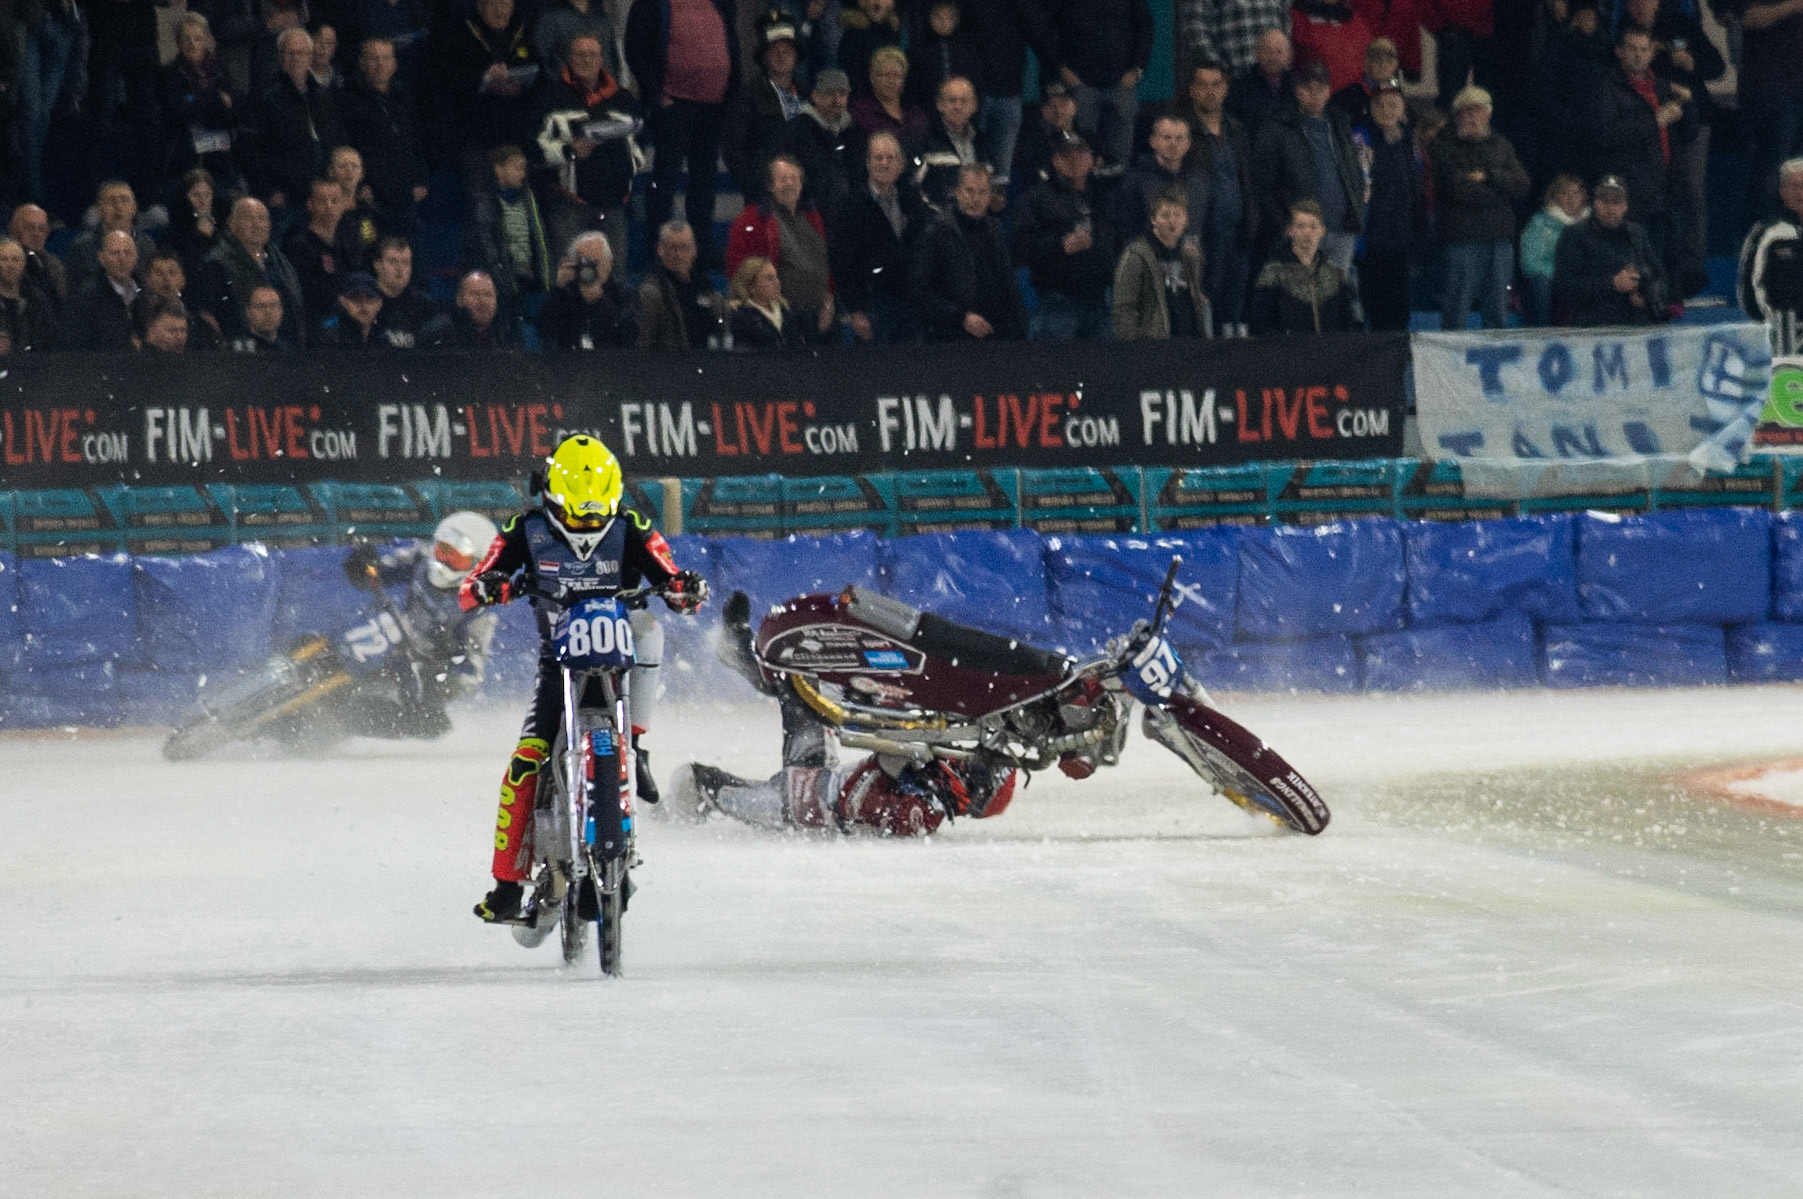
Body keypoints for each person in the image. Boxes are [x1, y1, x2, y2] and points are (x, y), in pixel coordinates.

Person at [463, 434, 707, 924]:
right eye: (576, 516)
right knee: (525, 763)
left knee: (650, 624)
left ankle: (635, 747)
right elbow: (471, 587)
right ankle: (507, 884)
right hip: (558, 664)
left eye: (597, 516)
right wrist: (492, 586)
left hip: (620, 657)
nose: (587, 525)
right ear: (551, 499)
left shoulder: (632, 525)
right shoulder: (522, 529)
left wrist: (684, 588)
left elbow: (673, 577)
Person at [668, 590, 1018, 836]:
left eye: (973, 768)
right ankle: (742, 652)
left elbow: (892, 758)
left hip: (804, 800)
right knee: (807, 680)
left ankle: (741, 652)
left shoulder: (924, 808)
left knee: (700, 780)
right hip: (815, 785)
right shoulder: (929, 795)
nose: (962, 762)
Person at [337, 513, 502, 741]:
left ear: (477, 567)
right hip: (391, 632)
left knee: (428, 723)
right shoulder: (422, 559)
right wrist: (364, 566)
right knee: (339, 639)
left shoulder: (478, 611)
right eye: (442, 550)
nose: (442, 562)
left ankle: (338, 720)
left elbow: (471, 671)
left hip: (423, 666)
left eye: (456, 558)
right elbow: (380, 573)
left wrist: (445, 682)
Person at [625, 0, 739, 266]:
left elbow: (732, 45)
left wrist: (732, 92)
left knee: (705, 184)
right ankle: (660, 252)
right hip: (672, 107)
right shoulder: (649, 4)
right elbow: (635, 50)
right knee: (664, 183)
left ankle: (700, 249)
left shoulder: (721, 3)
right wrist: (657, 96)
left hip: (712, 107)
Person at [1587, 25, 1693, 289]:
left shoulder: (1663, 86)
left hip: (1666, 186)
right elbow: (1604, 135)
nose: (1638, 55)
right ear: (1619, 52)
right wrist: (1654, 120)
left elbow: (1688, 132)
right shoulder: (1607, 87)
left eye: (1644, 49)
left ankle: (1664, 302)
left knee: (1664, 257)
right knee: (1635, 260)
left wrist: (1690, 104)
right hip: (1632, 190)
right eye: (1632, 49)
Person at [534, 32, 643, 268]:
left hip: (615, 203)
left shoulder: (623, 99)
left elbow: (639, 142)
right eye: (580, 54)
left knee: (615, 279)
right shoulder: (550, 97)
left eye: (592, 54)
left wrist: (631, 163)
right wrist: (568, 151)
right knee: (569, 277)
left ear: (602, 58)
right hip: (569, 204)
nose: (586, 60)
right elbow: (534, 148)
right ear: (568, 58)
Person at [1250, 59, 1365, 271]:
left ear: (1329, 91)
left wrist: (1354, 208)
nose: (1314, 94)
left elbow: (1354, 172)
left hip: (1341, 228)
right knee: (1300, 296)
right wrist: (1284, 222)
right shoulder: (1277, 128)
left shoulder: (1340, 125)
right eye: (1307, 88)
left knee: (1337, 296)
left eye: (1320, 88)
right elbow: (1261, 184)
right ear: (1297, 91)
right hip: (1300, 231)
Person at [1430, 84, 1528, 330]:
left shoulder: (1501, 144)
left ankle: (1493, 363)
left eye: (1479, 110)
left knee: (1498, 308)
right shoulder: (1443, 145)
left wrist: (1487, 176)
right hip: (1462, 238)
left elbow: (1522, 185)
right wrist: (1499, 190)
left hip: (1500, 239)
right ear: (1456, 115)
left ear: (1489, 113)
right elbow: (1457, 190)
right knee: (1457, 307)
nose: (1473, 117)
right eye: (1467, 111)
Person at [427, 0, 540, 197]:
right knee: (482, 206)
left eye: (506, 5)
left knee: (521, 203)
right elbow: (444, 80)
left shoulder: (522, 31)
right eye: (494, 4)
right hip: (475, 137)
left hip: (516, 135)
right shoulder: (458, 33)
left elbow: (539, 75)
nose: (501, 11)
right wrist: (483, 80)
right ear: (480, 5)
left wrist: (519, 86)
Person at [1012, 130, 1117, 340]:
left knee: (1105, 371)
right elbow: (1019, 248)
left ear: (1092, 159)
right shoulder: (1036, 198)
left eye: (1081, 154)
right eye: (1067, 155)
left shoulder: (1104, 195)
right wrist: (1060, 245)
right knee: (1057, 371)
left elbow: (1117, 238)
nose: (1075, 160)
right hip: (1058, 302)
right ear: (1056, 160)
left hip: (1100, 299)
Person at [725, 154, 837, 341]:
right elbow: (739, 271)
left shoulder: (813, 217)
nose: (790, 184)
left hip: (820, 317)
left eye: (794, 178)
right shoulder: (753, 219)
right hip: (779, 323)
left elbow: (826, 263)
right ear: (770, 185)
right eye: (783, 179)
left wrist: (828, 303)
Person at [910, 162, 1028, 340]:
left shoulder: (994, 229)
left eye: (982, 192)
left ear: (990, 196)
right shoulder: (937, 230)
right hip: (954, 336)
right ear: (957, 192)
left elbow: (1007, 280)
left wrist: (1020, 324)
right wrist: (960, 317)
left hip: (997, 332)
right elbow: (920, 289)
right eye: (970, 191)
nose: (976, 198)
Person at [1183, 60, 1257, 336]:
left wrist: (1252, 220)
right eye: (1203, 85)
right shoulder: (1183, 130)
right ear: (1191, 90)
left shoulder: (1236, 129)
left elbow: (1246, 180)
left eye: (1216, 84)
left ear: (1226, 89)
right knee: (1202, 311)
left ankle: (1234, 371)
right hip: (1201, 237)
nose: (1210, 92)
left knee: (1234, 311)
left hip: (1237, 234)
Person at [831, 130, 925, 342]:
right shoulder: (851, 205)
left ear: (901, 164)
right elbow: (842, 261)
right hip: (873, 304)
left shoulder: (912, 202)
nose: (884, 164)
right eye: (878, 158)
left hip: (911, 302)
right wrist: (855, 310)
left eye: (890, 158)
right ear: (868, 163)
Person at [1044, 0, 1154, 174]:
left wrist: (1138, 69)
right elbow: (1048, 29)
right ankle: (1082, 194)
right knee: (1080, 151)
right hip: (1080, 85)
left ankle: (1120, 193)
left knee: (1121, 158)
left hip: (1121, 82)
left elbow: (1145, 27)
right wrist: (1062, 68)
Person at [240, 27, 344, 210]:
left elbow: (336, 138)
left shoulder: (322, 96)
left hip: (324, 191)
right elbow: (249, 149)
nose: (296, 58)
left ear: (310, 56)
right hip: (286, 195)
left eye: (302, 52)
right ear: (280, 57)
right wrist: (269, 189)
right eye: (290, 52)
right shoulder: (263, 97)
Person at [337, 38, 431, 234]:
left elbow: (416, 140)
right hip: (372, 196)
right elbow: (347, 143)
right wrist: (361, 184)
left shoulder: (403, 96)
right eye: (374, 58)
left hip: (405, 193)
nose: (380, 64)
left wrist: (421, 178)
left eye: (386, 58)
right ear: (362, 63)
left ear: (394, 64)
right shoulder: (348, 99)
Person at [1552, 174, 1664, 326]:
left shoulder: (1636, 233)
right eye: (1604, 201)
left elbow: (1658, 275)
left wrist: (1647, 295)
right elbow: (1564, 286)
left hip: (1636, 325)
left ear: (1625, 206)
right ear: (1594, 203)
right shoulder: (1575, 235)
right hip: (1591, 327)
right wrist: (1612, 284)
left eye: (1617, 202)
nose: (1610, 208)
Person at [197, 196, 308, 345]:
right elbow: (207, 314)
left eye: (262, 218)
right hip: (241, 352)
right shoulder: (217, 263)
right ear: (231, 224)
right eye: (248, 218)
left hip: (286, 349)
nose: (257, 225)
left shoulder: (281, 262)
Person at [1357, 79, 1420, 333]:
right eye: (1380, 104)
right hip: (1372, 237)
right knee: (1375, 306)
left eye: (1393, 104)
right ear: (1371, 107)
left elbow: (1415, 188)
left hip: (1402, 237)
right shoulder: (1361, 138)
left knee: (1400, 308)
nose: (1387, 109)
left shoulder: (1408, 141)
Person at [465, 144, 555, 322]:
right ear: (499, 170)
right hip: (499, 279)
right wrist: (499, 274)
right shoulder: (485, 201)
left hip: (524, 277)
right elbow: (487, 241)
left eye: (523, 168)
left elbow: (538, 237)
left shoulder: (528, 200)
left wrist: (544, 275)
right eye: (516, 168)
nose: (522, 173)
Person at [724, 11, 806, 199]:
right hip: (763, 192)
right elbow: (733, 148)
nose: (781, 56)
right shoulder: (747, 96)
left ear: (796, 56)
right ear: (763, 56)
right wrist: (755, 183)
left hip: (803, 193)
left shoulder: (807, 94)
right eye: (774, 50)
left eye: (787, 51)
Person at [1250, 199, 1358, 334]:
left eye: (1313, 227)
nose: (1307, 232)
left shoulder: (1334, 274)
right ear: (1290, 231)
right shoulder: (1273, 272)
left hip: (1329, 351)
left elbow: (1347, 323)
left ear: (1322, 231)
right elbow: (1261, 322)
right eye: (1301, 226)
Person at [1113, 190, 1210, 339]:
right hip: (1154, 343)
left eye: (1177, 214)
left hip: (1190, 340)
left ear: (1186, 220)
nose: (1172, 221)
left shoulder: (1190, 255)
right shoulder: (1136, 255)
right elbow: (1124, 306)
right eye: (1165, 215)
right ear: (1153, 219)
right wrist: (1132, 345)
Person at [159, 12, 241, 188]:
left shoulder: (221, 71)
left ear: (206, 41)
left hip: (222, 158)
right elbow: (179, 112)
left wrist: (197, 101)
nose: (192, 44)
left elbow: (235, 111)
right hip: (185, 157)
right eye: (186, 39)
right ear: (178, 43)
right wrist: (216, 100)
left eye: (197, 38)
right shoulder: (168, 74)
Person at [1112, 113, 1209, 246]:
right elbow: (1126, 232)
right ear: (1153, 141)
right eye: (1167, 137)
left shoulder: (1199, 182)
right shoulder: (1134, 182)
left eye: (1179, 138)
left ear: (1188, 144)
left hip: (1191, 262)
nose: (1173, 143)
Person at [1739, 158, 1803, 352]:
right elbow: (1751, 283)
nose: (1801, 193)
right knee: (1790, 382)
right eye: (1795, 186)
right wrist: (1774, 321)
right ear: (1782, 191)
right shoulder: (1768, 231)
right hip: (1783, 333)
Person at [783, 67, 864, 217]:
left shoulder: (854, 131)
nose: (836, 100)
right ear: (815, 96)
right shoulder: (798, 130)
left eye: (842, 94)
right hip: (811, 212)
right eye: (829, 93)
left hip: (848, 213)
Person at [283, 176, 358, 331]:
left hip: (346, 318)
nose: (329, 206)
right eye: (322, 201)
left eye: (334, 201)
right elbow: (304, 297)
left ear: (344, 204)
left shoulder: (347, 242)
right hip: (318, 325)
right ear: (310, 204)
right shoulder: (300, 245)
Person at [539, 231, 638, 349]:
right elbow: (545, 331)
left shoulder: (624, 294)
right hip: (570, 362)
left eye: (593, 263)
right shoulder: (567, 294)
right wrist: (559, 290)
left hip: (610, 362)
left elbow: (628, 335)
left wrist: (600, 301)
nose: (588, 270)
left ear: (609, 263)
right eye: (583, 263)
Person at [638, 220, 727, 349]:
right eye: (673, 248)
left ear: (694, 250)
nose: (678, 255)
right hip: (670, 364)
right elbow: (644, 343)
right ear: (660, 249)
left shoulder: (705, 287)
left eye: (684, 247)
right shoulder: (650, 293)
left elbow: (723, 329)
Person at [63, 182, 161, 299]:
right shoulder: (81, 247)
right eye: (111, 201)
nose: (118, 207)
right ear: (99, 209)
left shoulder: (147, 245)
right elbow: (73, 295)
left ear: (134, 208)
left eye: (124, 200)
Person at [1521, 173, 1588, 327]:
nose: (1571, 198)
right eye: (1565, 193)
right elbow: (1530, 263)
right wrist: (1561, 275)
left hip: (1583, 277)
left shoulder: (1592, 224)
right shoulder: (1539, 223)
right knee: (1541, 284)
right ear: (1555, 196)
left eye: (1575, 193)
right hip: (1552, 277)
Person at [915, 75, 992, 207]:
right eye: (952, 100)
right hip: (936, 222)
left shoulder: (983, 143)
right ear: (940, 104)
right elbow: (913, 189)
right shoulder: (924, 141)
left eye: (964, 101)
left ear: (974, 106)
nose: (958, 106)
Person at [66, 231, 143, 352]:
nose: (122, 259)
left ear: (136, 258)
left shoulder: (145, 292)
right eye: (115, 253)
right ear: (102, 258)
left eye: (127, 253)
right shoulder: (87, 296)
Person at [849, 45, 928, 157]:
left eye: (896, 76)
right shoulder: (860, 112)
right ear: (872, 77)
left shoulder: (915, 115)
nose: (891, 81)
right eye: (885, 75)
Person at [1181, 0, 1291, 76]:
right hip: (1232, 80)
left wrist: (1284, 59)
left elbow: (1286, 20)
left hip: (1273, 81)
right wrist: (1218, 67)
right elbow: (1195, 25)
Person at [369, 236, 443, 348]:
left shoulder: (425, 306)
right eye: (393, 261)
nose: (400, 268)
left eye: (405, 262)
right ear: (378, 265)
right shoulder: (364, 300)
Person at [429, 270, 524, 350]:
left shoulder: (506, 331)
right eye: (475, 294)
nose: (482, 301)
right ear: (459, 300)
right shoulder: (440, 333)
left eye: (488, 294)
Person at [1225, 26, 1295, 134]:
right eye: (1268, 51)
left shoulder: (1298, 89)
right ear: (1256, 53)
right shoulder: (1238, 91)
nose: (1273, 57)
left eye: (1279, 51)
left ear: (1289, 55)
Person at [1013, 78, 1079, 188]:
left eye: (1063, 104)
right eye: (1051, 105)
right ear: (1042, 107)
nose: (1058, 111)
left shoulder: (1078, 131)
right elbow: (1034, 167)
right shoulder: (1031, 129)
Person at [836, 0, 903, 100]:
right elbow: (853, 78)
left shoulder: (894, 32)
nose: (878, 4)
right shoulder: (853, 35)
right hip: (864, 103)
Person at [1328, 34, 1399, 130]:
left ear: (1395, 64)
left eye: (1389, 61)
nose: (1383, 65)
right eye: (1377, 60)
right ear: (1367, 63)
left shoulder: (1396, 90)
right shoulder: (1350, 94)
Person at [0, 239, 53, 353]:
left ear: (23, 265)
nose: (10, 265)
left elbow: (46, 340)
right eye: (4, 259)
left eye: (15, 260)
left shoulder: (37, 301)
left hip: (31, 366)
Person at [315, 271, 389, 347]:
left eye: (369, 299)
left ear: (379, 303)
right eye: (355, 299)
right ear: (343, 301)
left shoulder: (386, 336)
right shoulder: (329, 334)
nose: (363, 305)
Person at [228, 284, 300, 352]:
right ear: (248, 311)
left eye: (273, 305)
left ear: (281, 310)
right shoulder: (237, 349)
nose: (268, 311)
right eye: (260, 306)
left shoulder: (291, 350)